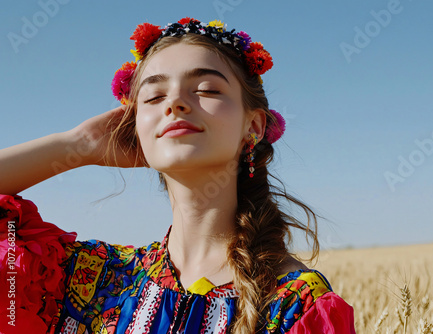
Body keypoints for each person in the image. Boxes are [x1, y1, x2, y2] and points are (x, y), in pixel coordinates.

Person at [0, 18, 355, 334]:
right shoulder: (95, 281)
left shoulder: (296, 307)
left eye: (207, 90)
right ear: (135, 126)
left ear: (254, 125)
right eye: (153, 96)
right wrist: (77, 145)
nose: (175, 103)